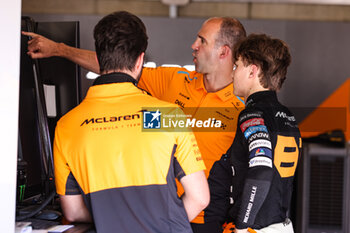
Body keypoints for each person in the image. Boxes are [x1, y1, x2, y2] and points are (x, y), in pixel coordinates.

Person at [23, 15, 247, 231]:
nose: (194, 45)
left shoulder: (243, 106)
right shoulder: (175, 80)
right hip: (157, 214)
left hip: (206, 217)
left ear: (223, 52)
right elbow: (118, 63)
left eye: (202, 40)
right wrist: (59, 50)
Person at [52, 11, 209, 233]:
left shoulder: (67, 126)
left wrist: (116, 219)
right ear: (140, 61)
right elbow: (200, 198)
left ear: (98, 59)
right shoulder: (165, 116)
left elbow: (73, 212)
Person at [223, 34, 301, 232]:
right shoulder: (288, 115)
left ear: (252, 71)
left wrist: (242, 225)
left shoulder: (252, 113)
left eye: (236, 65)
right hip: (283, 225)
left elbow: (262, 168)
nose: (232, 73)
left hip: (257, 227)